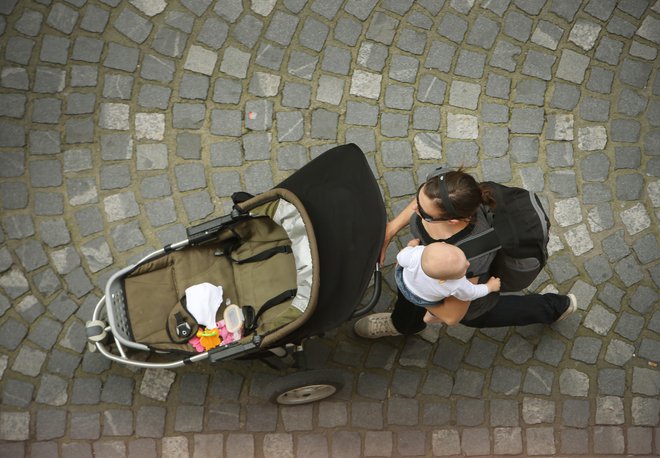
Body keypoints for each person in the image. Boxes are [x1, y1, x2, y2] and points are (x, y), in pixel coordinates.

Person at [354, 168, 577, 338]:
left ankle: (555, 307)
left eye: (423, 212)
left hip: (471, 293)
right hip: (430, 270)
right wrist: (391, 230)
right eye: (418, 197)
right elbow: (426, 199)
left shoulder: (468, 255)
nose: (414, 210)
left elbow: (452, 316)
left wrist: (416, 291)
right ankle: (404, 325)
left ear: (451, 220)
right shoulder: (447, 187)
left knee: (480, 314)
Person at [395, 239, 501, 324]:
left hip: (402, 280)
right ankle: (432, 315)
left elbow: (400, 257)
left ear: (443, 243)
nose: (468, 264)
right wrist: (490, 287)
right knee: (438, 303)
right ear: (443, 280)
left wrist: (410, 246)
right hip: (422, 299)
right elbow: (472, 293)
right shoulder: (455, 284)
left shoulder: (416, 254)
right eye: (463, 269)